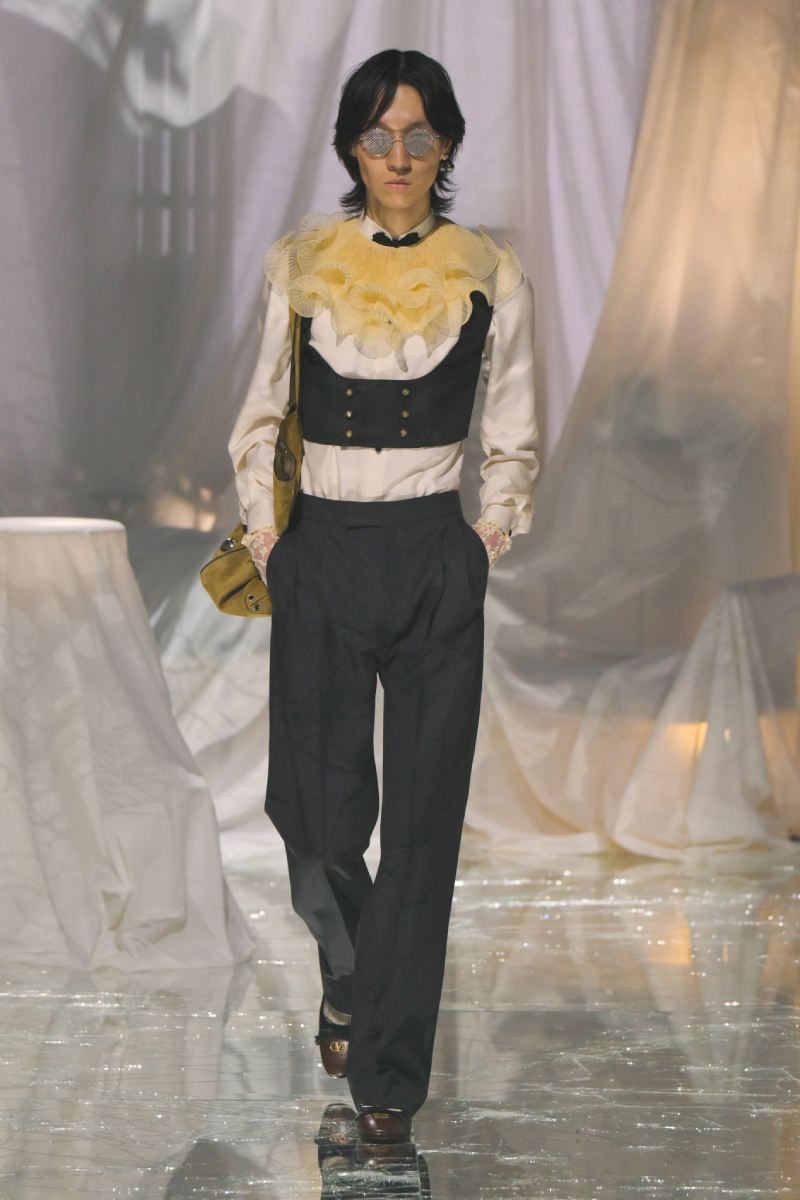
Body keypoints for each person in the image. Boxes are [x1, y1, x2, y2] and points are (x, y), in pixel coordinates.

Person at [227, 48, 538, 1145]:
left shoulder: (488, 272)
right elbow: (260, 414)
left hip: (431, 557)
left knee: (421, 825)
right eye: (376, 135)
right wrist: (270, 538)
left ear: (444, 143)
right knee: (312, 817)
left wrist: (486, 538)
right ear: (350, 146)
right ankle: (352, 972)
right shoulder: (304, 266)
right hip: (320, 549)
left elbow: (514, 427)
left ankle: (388, 1082)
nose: (396, 155)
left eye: (416, 134)